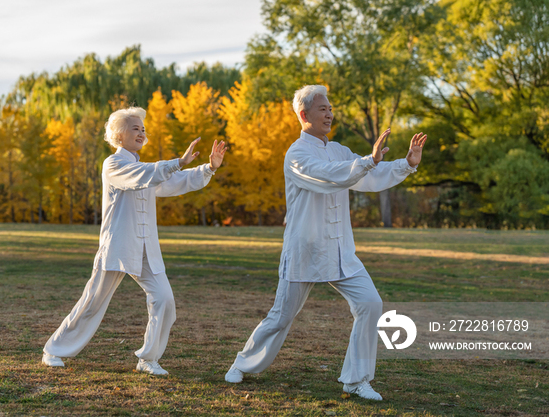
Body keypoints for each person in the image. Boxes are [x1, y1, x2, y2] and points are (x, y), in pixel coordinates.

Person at [224, 85, 426, 400]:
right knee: (281, 316)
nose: (329, 114)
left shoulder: (340, 151)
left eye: (330, 108)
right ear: (304, 114)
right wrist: (367, 161)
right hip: (304, 250)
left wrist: (407, 164)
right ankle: (243, 364)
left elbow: (366, 177)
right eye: (323, 109)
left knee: (370, 304)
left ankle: (356, 379)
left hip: (341, 250)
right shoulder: (296, 154)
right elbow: (329, 175)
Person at [42, 106, 227, 375]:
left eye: (143, 129)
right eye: (135, 128)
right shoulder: (114, 164)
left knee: (164, 299)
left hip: (145, 249)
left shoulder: (147, 168)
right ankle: (54, 350)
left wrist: (209, 167)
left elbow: (174, 182)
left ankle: (148, 358)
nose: (141, 133)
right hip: (116, 247)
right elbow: (143, 177)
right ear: (118, 135)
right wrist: (177, 161)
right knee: (92, 302)